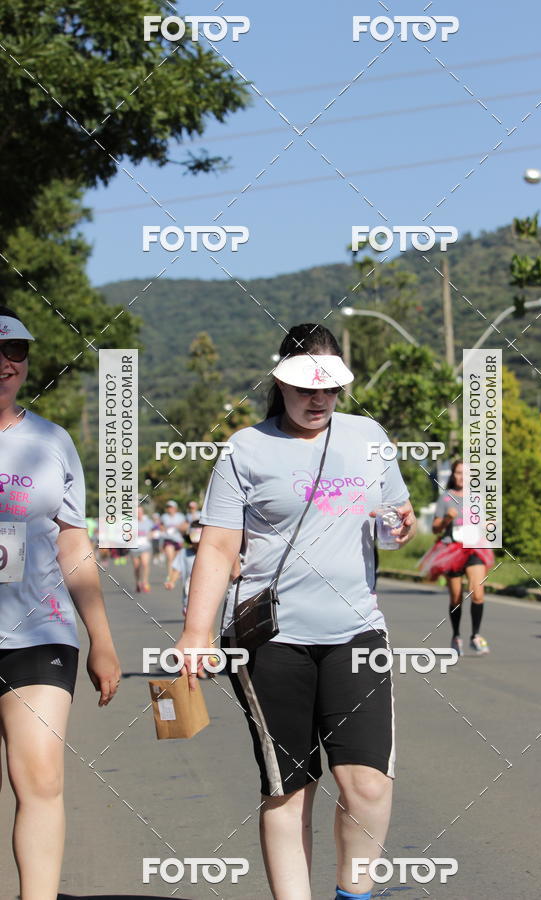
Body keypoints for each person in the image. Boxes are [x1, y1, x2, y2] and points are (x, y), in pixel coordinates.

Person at [175, 323, 416, 900]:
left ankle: (352, 895)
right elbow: (217, 546)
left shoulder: (368, 436)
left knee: (368, 786)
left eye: (330, 388)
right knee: (288, 789)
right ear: (279, 382)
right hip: (272, 643)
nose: (318, 399)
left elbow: (396, 510)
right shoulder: (245, 449)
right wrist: (195, 631)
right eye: (306, 387)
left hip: (357, 633)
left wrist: (402, 522)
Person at [0, 305, 121, 900]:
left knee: (40, 777)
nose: (5, 363)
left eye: (16, 352)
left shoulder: (51, 441)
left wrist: (101, 637)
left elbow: (74, 542)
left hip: (39, 633)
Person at [420, 460, 494, 656]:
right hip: (451, 550)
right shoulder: (445, 499)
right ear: (453, 475)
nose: (462, 477)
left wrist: (488, 525)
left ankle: (476, 636)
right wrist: (446, 520)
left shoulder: (477, 499)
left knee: (477, 592)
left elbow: (483, 522)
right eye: (459, 473)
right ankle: (456, 636)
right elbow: (435, 528)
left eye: (466, 473)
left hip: (474, 548)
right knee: (456, 597)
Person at [130, 505, 153, 593]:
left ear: (143, 512)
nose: (139, 513)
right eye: (137, 512)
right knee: (136, 567)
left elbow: (153, 531)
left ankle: (145, 582)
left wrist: (150, 535)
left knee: (145, 563)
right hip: (134, 547)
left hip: (145, 546)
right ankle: (138, 582)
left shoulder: (148, 522)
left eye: (140, 512)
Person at [160, 499, 185, 573]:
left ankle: (175, 575)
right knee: (170, 558)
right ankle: (170, 576)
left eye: (171, 507)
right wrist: (165, 529)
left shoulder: (180, 516)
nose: (169, 509)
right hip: (168, 539)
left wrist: (177, 527)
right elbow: (161, 526)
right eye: (168, 507)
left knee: (177, 559)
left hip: (178, 539)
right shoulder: (164, 516)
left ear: (175, 508)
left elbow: (184, 527)